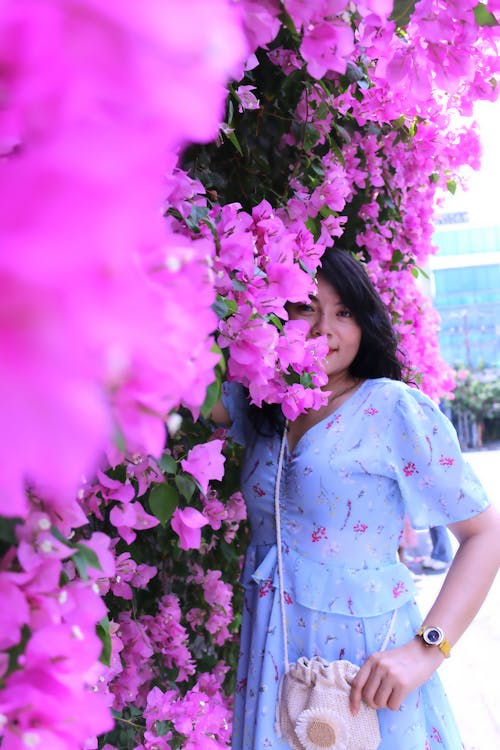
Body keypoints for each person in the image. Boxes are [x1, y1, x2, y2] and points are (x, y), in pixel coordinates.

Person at [212, 248, 500, 750]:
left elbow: (485, 533)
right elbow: (160, 379)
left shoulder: (392, 408)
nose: (325, 328)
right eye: (306, 307)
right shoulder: (261, 403)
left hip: (364, 674)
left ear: (364, 322)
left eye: (344, 312)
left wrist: (427, 650)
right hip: (272, 656)